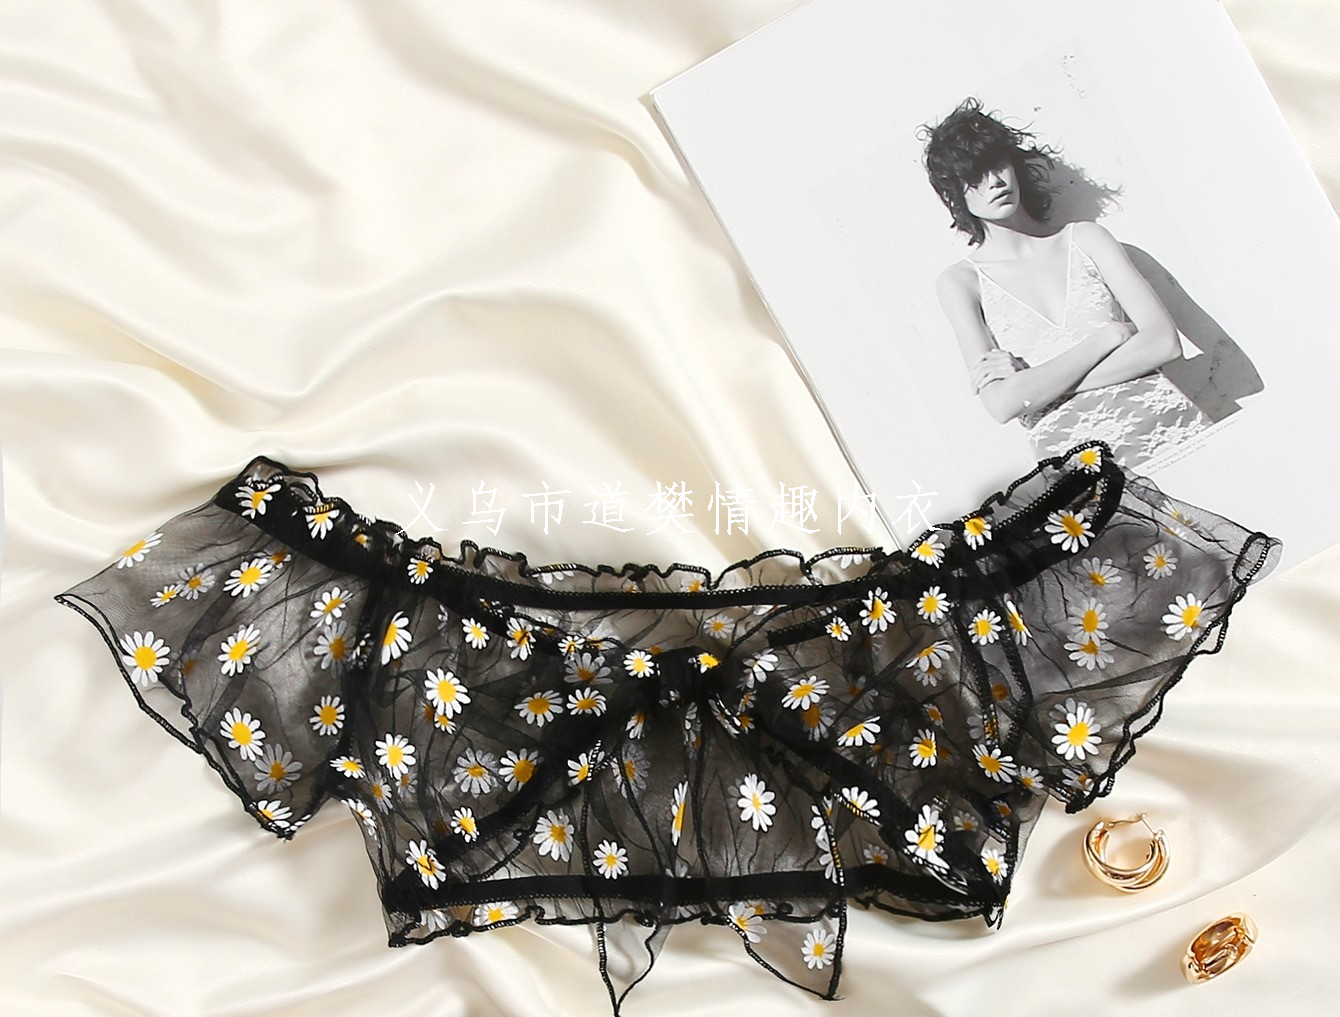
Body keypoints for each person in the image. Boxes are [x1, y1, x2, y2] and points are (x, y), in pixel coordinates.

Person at [922, 97, 1209, 467]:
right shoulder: (961, 282)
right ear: (953, 193)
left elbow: (1164, 344)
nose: (994, 181)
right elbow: (1002, 404)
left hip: (1170, 431)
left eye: (997, 164)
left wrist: (1037, 386)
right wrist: (1110, 337)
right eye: (973, 176)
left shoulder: (1086, 238)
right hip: (1079, 471)